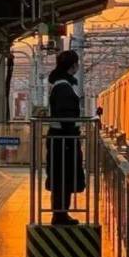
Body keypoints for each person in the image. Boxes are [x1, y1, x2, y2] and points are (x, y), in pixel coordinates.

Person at [45, 50, 85, 225]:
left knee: (61, 177)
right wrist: (72, 136)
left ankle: (61, 214)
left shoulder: (60, 84)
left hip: (61, 140)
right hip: (64, 142)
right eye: (77, 63)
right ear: (73, 65)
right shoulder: (63, 87)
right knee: (63, 177)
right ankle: (60, 215)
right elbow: (66, 116)